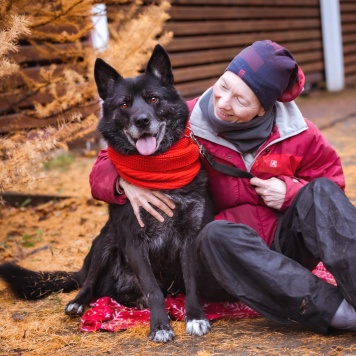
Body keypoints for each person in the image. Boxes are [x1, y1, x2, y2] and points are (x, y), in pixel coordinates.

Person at [89, 40, 356, 334]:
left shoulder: (300, 133)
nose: (224, 102)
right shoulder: (185, 120)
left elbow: (333, 194)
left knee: (319, 191)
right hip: (224, 260)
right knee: (215, 234)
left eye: (241, 100)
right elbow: (105, 162)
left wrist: (290, 193)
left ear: (263, 107)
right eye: (224, 86)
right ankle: (337, 312)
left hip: (284, 247)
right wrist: (124, 183)